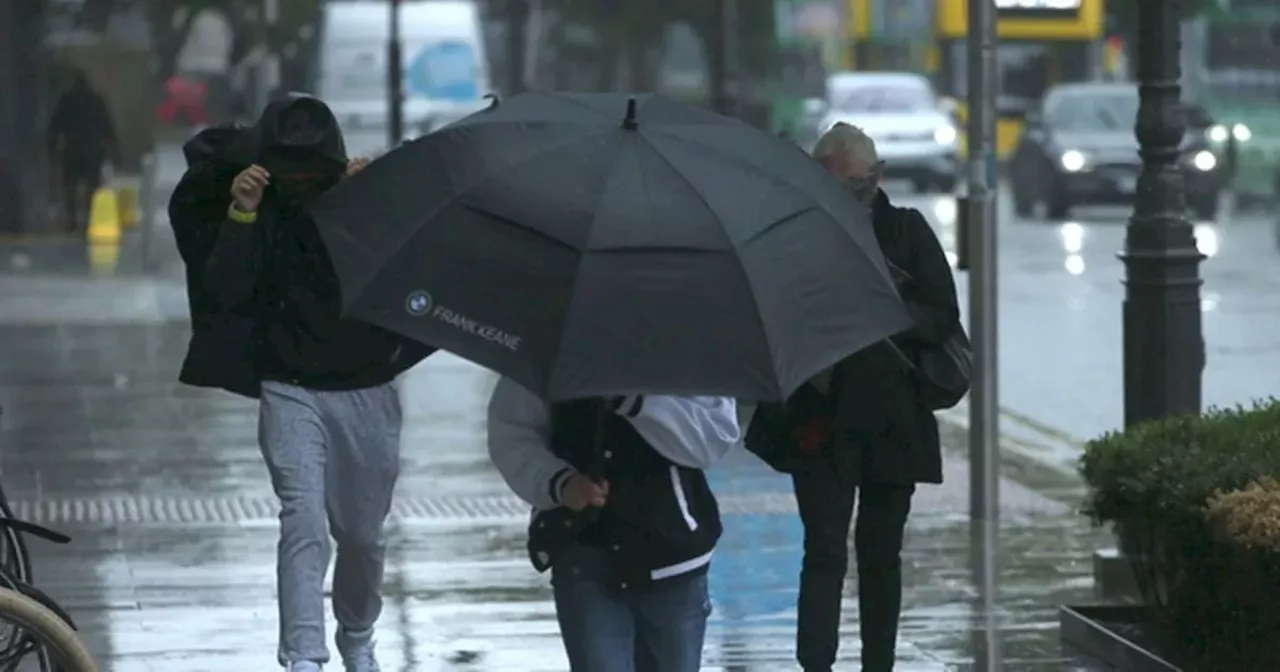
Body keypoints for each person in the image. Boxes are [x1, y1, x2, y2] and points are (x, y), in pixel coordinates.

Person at [167, 94, 434, 672]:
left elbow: (411, 268)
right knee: (304, 521)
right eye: (291, 167)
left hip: (367, 389)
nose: (302, 180)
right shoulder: (255, 209)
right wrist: (242, 211)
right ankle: (304, 658)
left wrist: (375, 199)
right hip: (290, 388)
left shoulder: (361, 203)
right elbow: (224, 295)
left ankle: (357, 635)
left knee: (363, 537)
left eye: (312, 168)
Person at [791, 123, 959, 672]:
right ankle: (816, 662)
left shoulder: (906, 230)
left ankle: (878, 663)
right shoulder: (798, 235)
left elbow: (943, 317)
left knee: (881, 556)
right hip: (822, 420)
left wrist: (882, 310)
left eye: (854, 187)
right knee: (823, 554)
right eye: (830, 188)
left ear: (876, 178)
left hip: (894, 418)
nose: (844, 201)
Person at [486, 379, 741, 672]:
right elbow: (513, 433)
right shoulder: (547, 344)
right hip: (582, 547)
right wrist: (560, 483)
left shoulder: (683, 343)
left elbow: (713, 439)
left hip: (673, 555)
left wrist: (637, 403)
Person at [47, 70, 117, 233]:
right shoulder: (96, 101)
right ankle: (87, 218)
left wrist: (53, 148)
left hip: (72, 149)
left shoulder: (66, 100)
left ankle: (72, 219)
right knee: (91, 186)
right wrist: (113, 150)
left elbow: (55, 126)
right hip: (92, 150)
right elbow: (107, 127)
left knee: (70, 186)